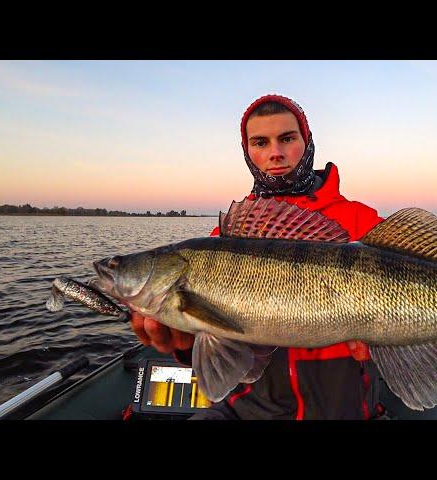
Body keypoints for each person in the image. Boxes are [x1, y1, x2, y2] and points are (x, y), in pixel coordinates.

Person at [130, 94, 387, 419]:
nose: (275, 153)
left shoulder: (362, 223)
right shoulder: (223, 242)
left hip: (347, 410)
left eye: (287, 138)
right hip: (249, 411)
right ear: (247, 151)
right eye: (260, 142)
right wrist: (183, 343)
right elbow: (216, 350)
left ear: (306, 142)